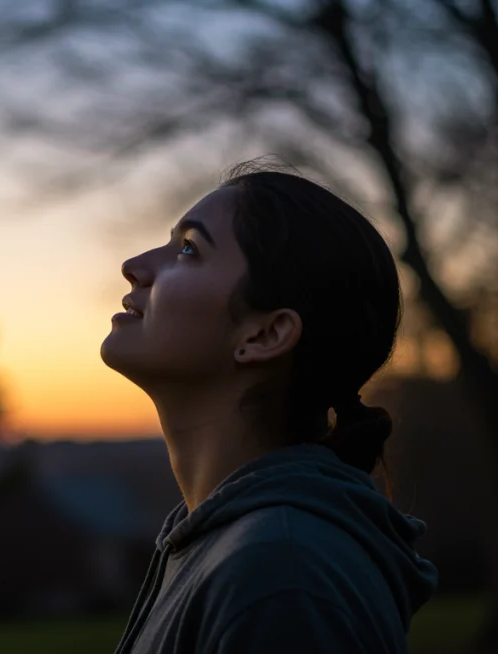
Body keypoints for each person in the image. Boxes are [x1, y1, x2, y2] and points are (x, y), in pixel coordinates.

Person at [101, 160, 438, 653]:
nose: (135, 265)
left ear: (265, 334)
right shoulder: (227, 544)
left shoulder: (280, 572)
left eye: (189, 249)